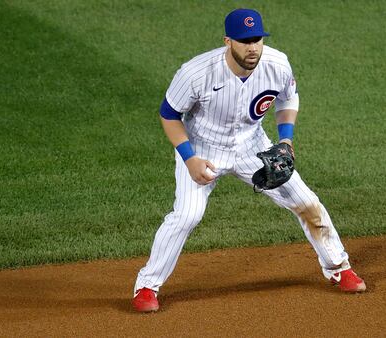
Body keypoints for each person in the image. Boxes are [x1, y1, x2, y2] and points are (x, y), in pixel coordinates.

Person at [132, 8, 366, 312]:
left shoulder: (276, 63)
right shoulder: (196, 72)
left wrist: (285, 138)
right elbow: (169, 114)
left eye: (256, 39)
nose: (252, 47)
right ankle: (147, 286)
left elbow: (288, 98)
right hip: (202, 148)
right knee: (187, 215)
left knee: (306, 201)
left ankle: (338, 266)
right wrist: (189, 158)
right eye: (244, 41)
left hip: (251, 146)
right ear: (228, 41)